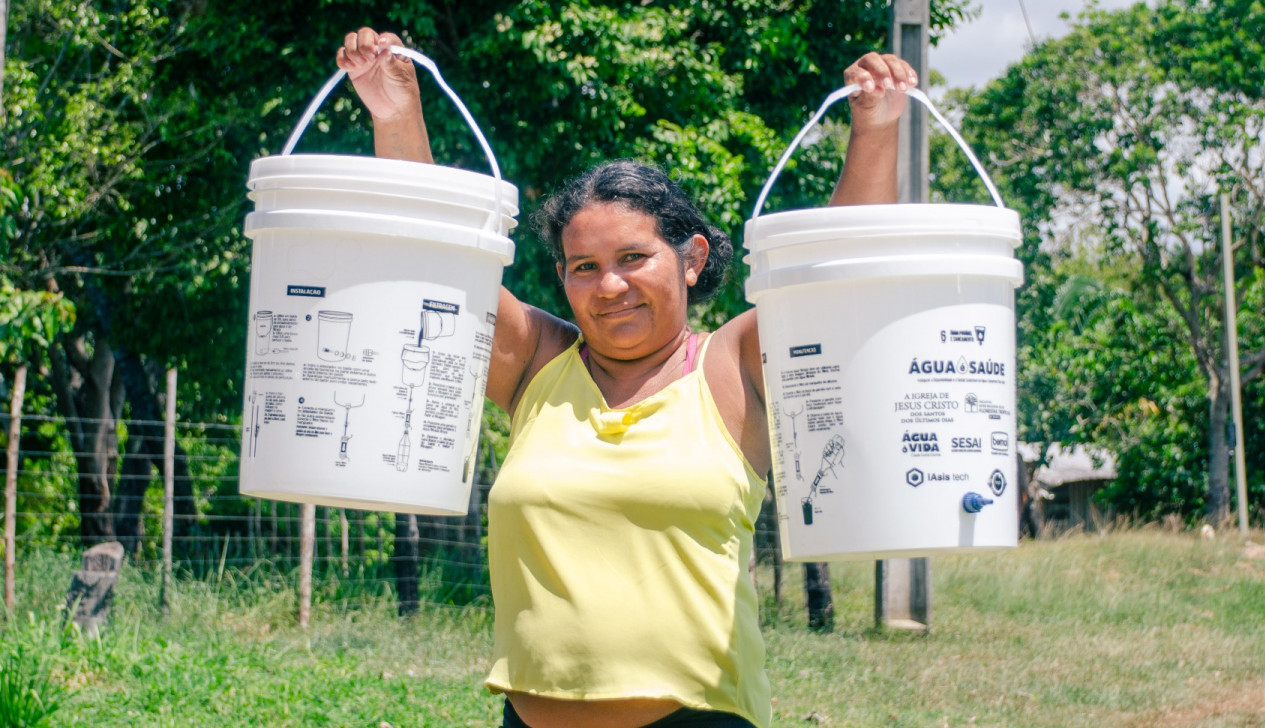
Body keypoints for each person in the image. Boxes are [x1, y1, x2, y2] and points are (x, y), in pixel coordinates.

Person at [336, 27, 914, 728]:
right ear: (563, 278)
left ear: (692, 258)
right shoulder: (536, 367)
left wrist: (875, 132)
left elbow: (833, 287)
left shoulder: (730, 370)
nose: (610, 286)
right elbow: (436, 265)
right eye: (585, 266)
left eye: (634, 258)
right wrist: (397, 115)